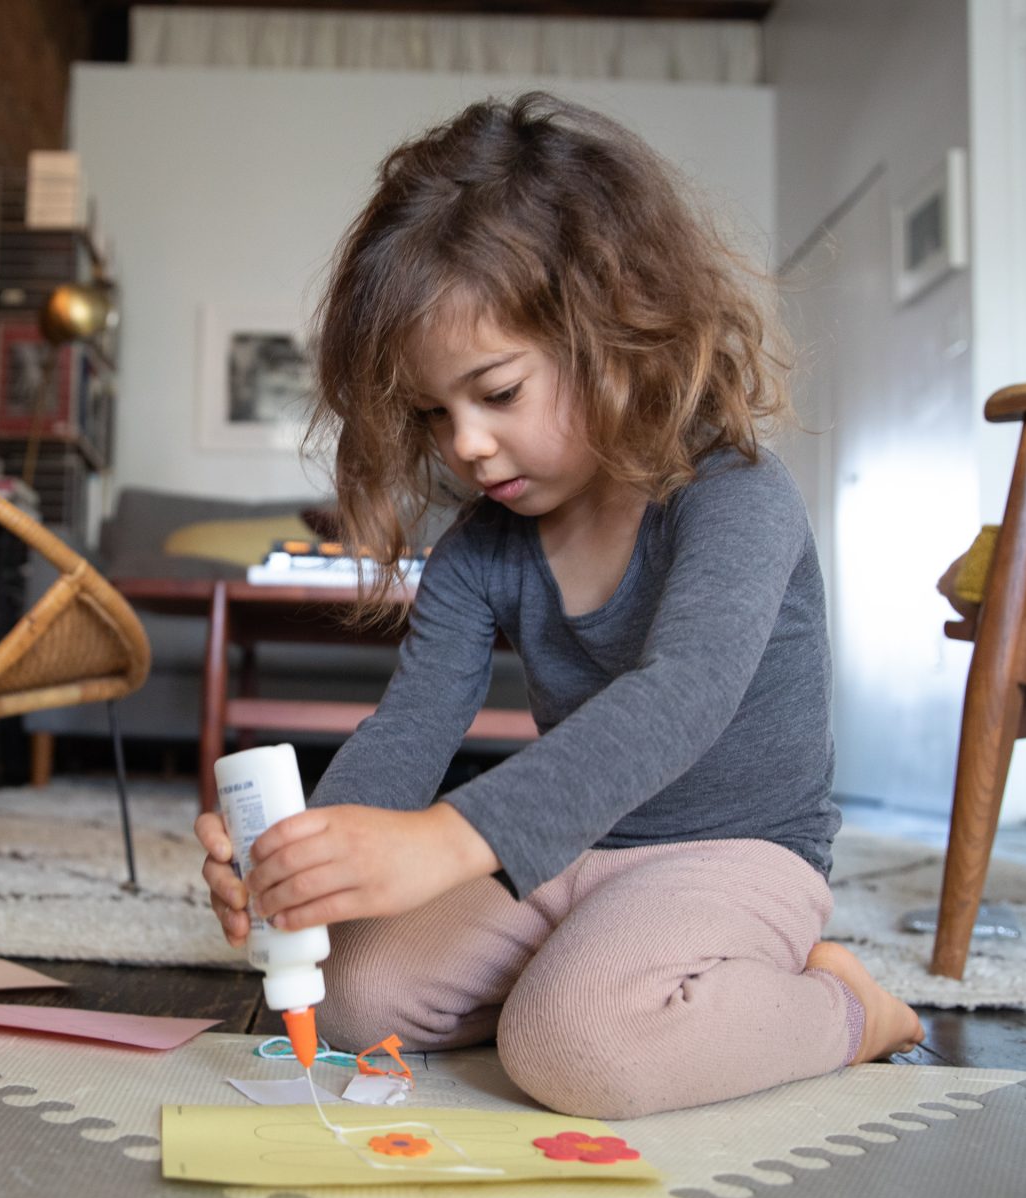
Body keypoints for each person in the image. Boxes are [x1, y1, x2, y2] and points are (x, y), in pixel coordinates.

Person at [196, 92, 924, 1121]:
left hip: (734, 853)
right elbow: (411, 728)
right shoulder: (480, 551)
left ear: (616, 330)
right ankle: (599, 972)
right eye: (434, 413)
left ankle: (846, 1006)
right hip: (568, 847)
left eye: (497, 393)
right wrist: (305, 858)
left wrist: (447, 841)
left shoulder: (735, 495)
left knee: (574, 1044)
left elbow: (683, 697)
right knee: (354, 992)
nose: (465, 445)